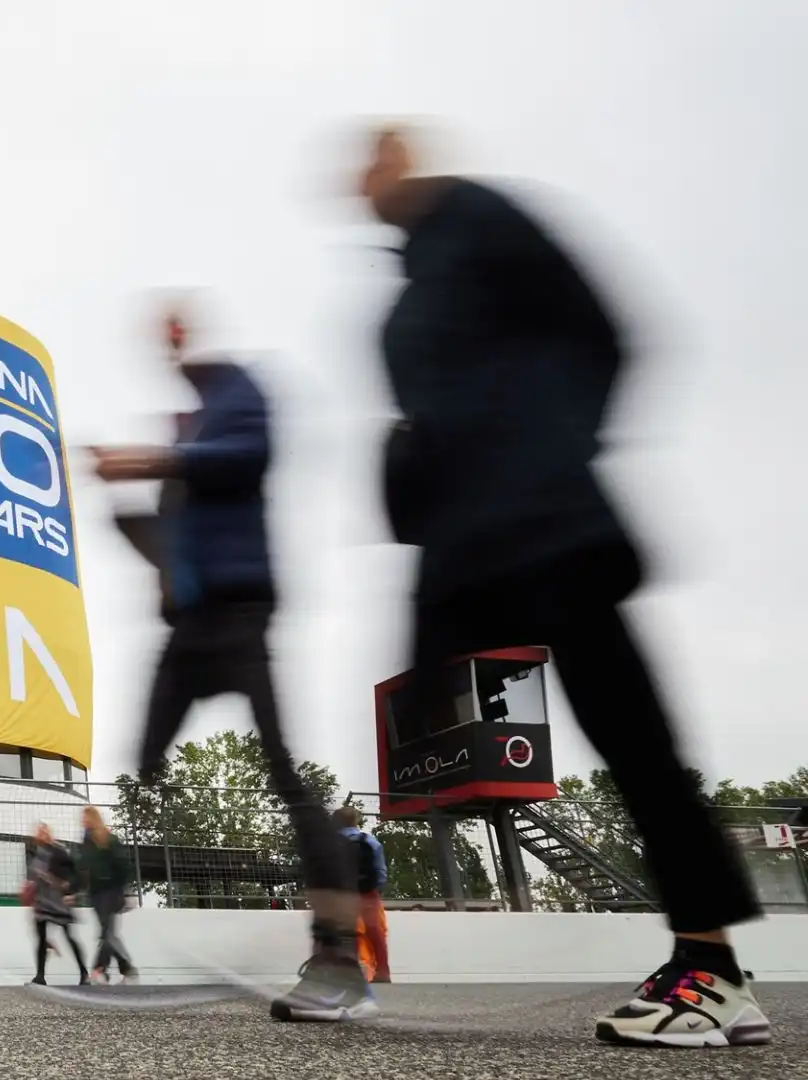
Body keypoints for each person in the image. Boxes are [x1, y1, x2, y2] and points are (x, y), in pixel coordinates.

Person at [357, 126, 768, 1047]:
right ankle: (717, 973)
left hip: (549, 530)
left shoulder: (478, 216)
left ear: (408, 160)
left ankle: (710, 968)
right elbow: (429, 436)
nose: (362, 175)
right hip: (467, 554)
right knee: (578, 748)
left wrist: (555, 453)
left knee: (636, 744)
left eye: (376, 157)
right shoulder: (409, 297)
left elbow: (608, 331)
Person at [93, 300, 368, 1021]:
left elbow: (250, 458)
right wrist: (131, 514)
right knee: (144, 761)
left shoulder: (239, 390)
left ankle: (338, 956)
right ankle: (123, 906)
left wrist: (157, 459)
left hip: (242, 616)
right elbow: (171, 538)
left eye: (179, 343)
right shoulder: (187, 431)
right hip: (187, 631)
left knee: (285, 775)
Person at [78, 807, 137, 984]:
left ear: (92, 819)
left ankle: (100, 969)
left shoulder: (109, 839)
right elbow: (82, 868)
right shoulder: (86, 842)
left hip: (111, 892)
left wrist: (125, 891)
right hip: (96, 894)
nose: (82, 820)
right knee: (108, 933)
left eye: (85, 817)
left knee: (106, 933)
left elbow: (123, 867)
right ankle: (125, 969)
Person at [25, 823, 88, 986]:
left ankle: (84, 973)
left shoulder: (59, 852)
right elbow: (33, 877)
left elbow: (75, 874)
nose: (42, 834)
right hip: (42, 900)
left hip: (59, 900)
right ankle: (40, 975)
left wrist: (71, 891)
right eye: (39, 832)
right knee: (41, 938)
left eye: (45, 831)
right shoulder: (33, 853)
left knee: (69, 937)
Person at [334, 806, 390, 983]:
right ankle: (383, 971)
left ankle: (349, 972)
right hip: (367, 892)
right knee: (375, 932)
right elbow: (380, 870)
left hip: (342, 893)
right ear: (356, 821)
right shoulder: (370, 841)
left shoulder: (330, 842)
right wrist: (375, 889)